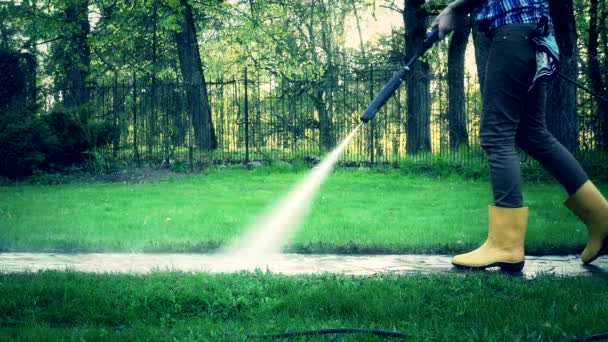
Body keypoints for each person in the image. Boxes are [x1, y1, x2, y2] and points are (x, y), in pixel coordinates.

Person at [432, 0, 608, 271]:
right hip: (535, 33)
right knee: (532, 133)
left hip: (513, 32)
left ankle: (505, 245)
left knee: (496, 135)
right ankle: (601, 216)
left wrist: (454, 9)